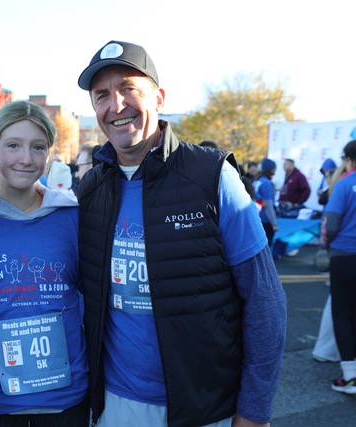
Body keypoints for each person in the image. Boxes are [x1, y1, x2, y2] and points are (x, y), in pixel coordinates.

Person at [76, 40, 286, 427]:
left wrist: (254, 410)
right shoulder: (90, 189)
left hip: (206, 407)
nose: (116, 105)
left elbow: (265, 300)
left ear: (159, 96)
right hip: (115, 404)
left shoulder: (211, 175)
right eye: (102, 95)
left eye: (128, 89)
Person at [0, 100, 88, 426]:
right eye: (13, 146)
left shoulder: (74, 218)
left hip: (65, 403)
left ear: (48, 155)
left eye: (37, 147)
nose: (26, 158)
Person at [321, 139, 356, 394]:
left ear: (348, 159)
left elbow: (330, 224)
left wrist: (327, 246)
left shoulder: (344, 184)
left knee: (342, 313)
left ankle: (351, 376)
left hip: (344, 255)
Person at [255, 158, 279, 247]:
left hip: (257, 217)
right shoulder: (266, 183)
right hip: (265, 219)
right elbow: (268, 205)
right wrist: (274, 224)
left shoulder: (258, 180)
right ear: (271, 169)